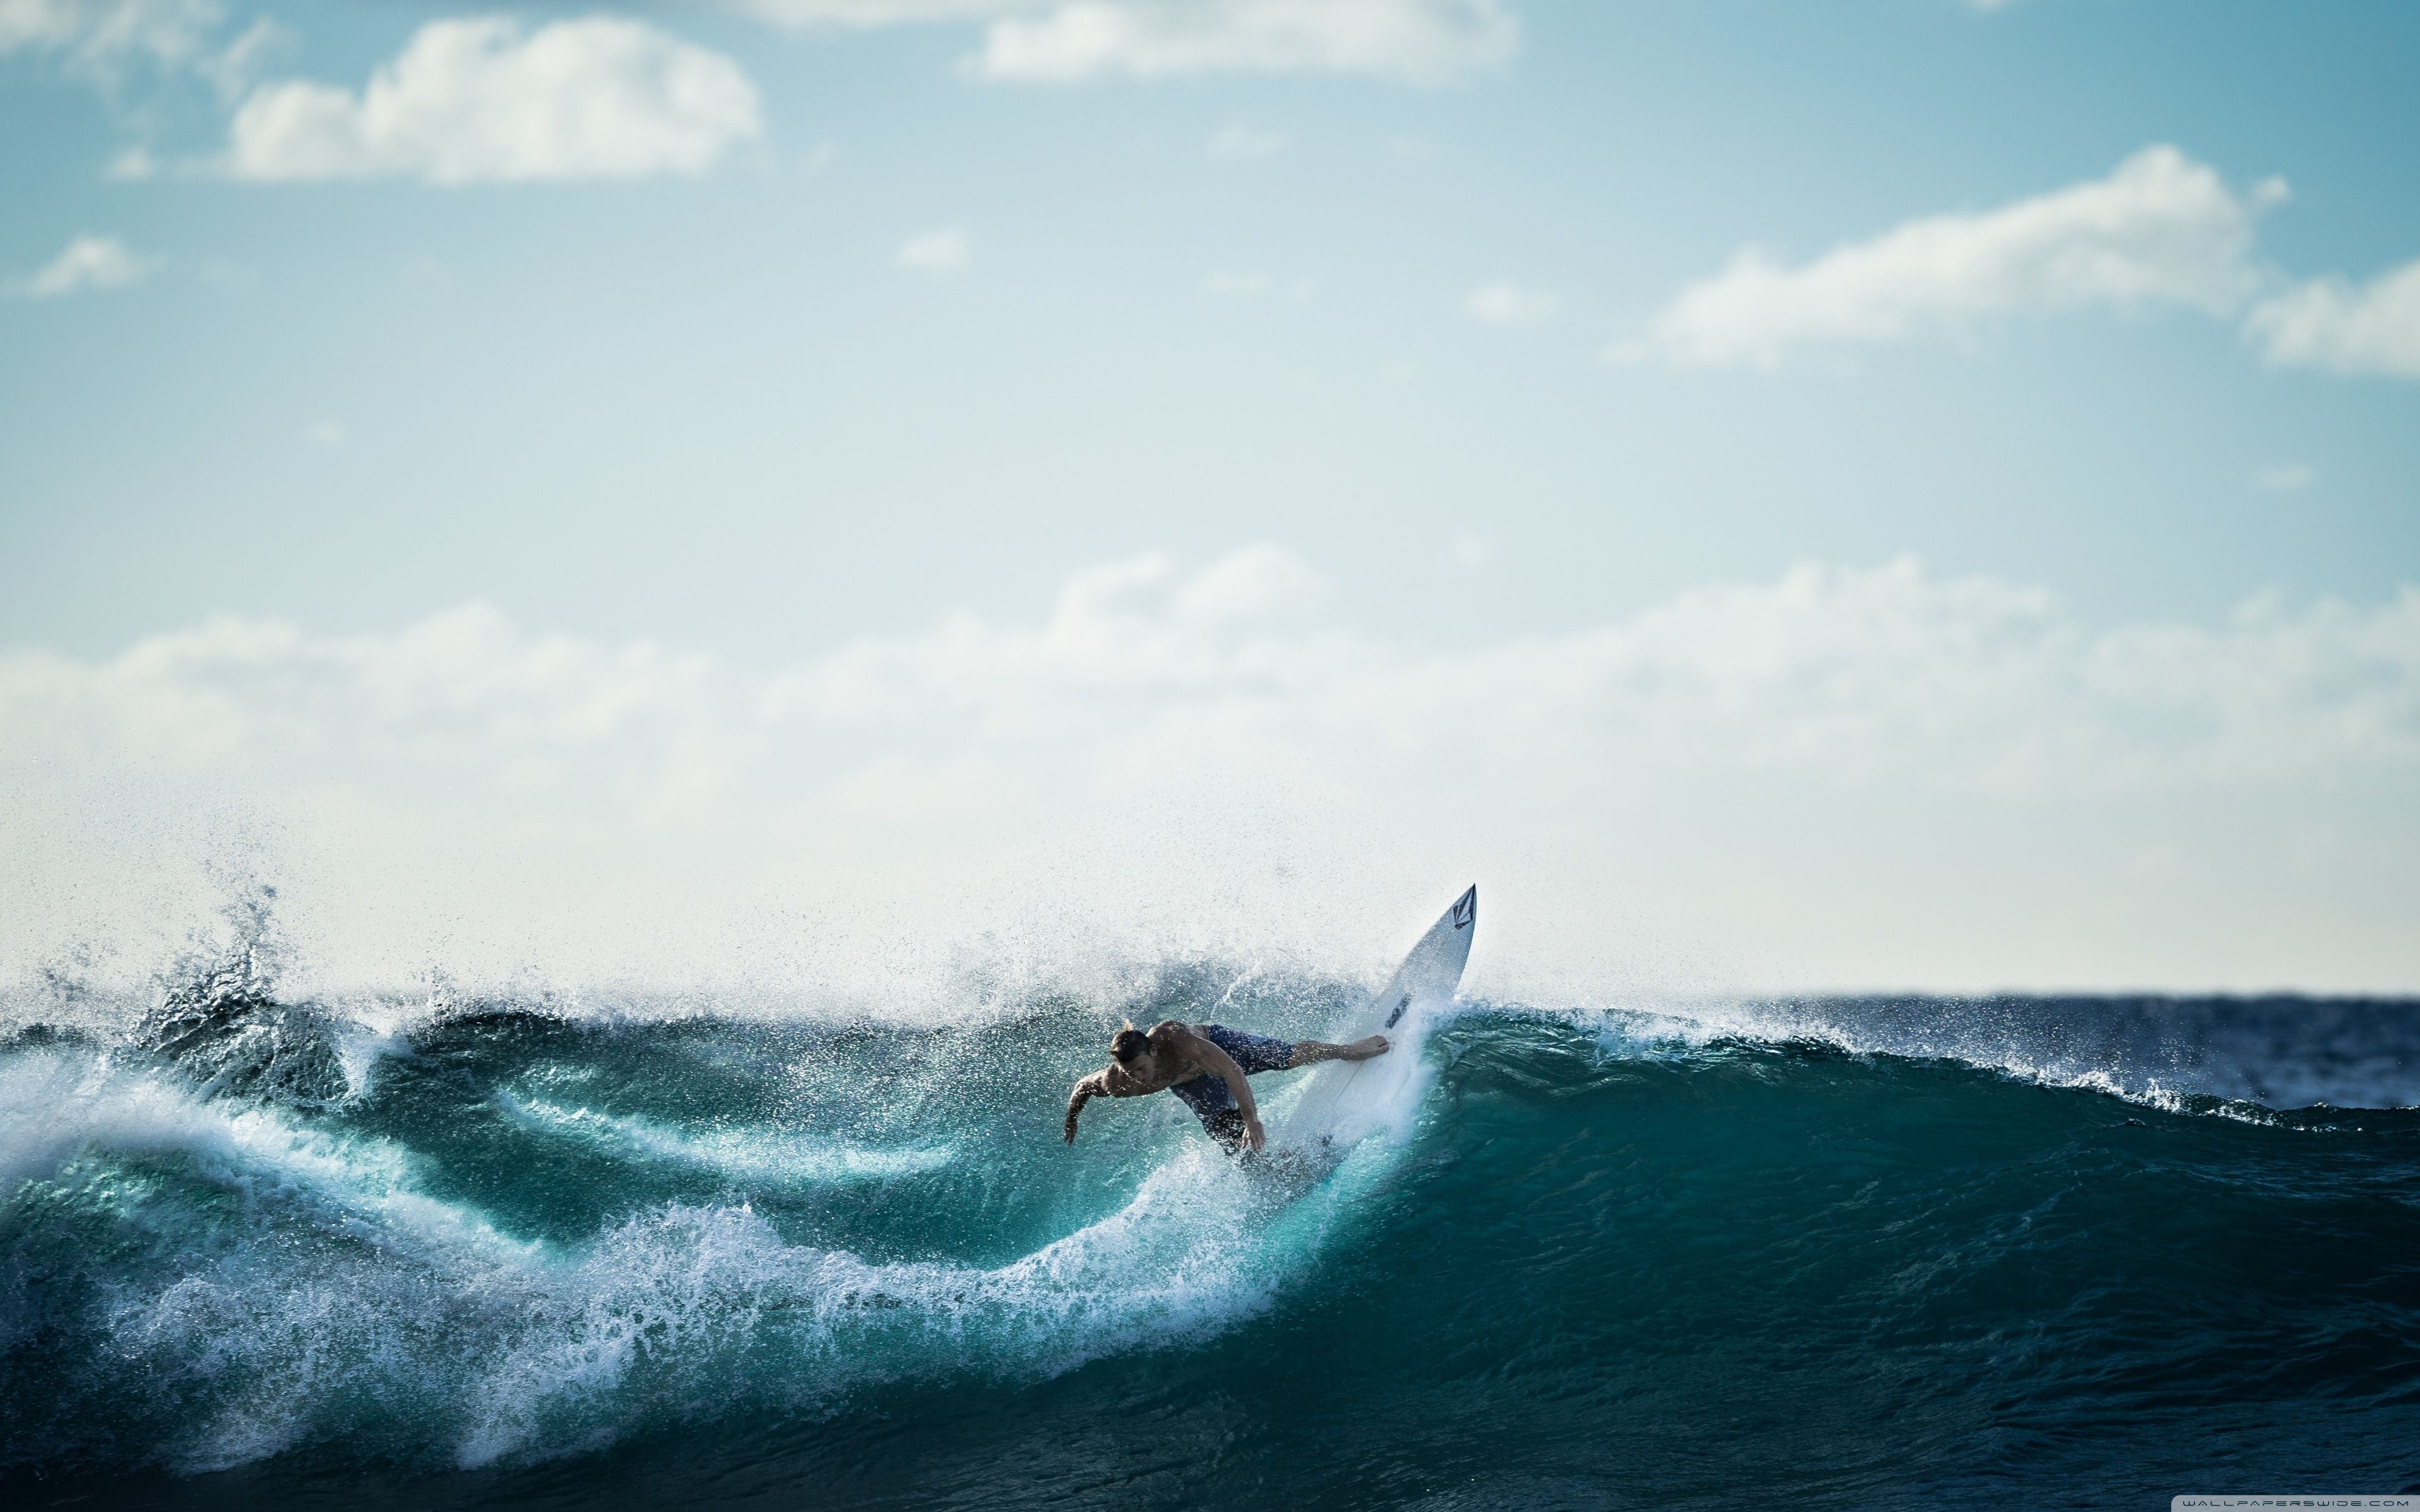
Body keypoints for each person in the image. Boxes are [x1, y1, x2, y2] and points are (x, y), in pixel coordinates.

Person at [1062, 1019, 1389, 1154]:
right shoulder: (1120, 1082)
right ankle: (1275, 1164)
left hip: (1222, 1050)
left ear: (1154, 1051)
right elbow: (1083, 1087)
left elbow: (1232, 1071)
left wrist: (1252, 1118)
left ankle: (1347, 1051)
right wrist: (1072, 1118)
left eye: (1142, 1068)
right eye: (1131, 1073)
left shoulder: (1178, 1039)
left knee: (1285, 1056)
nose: (1139, 1078)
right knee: (1226, 1135)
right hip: (1192, 1086)